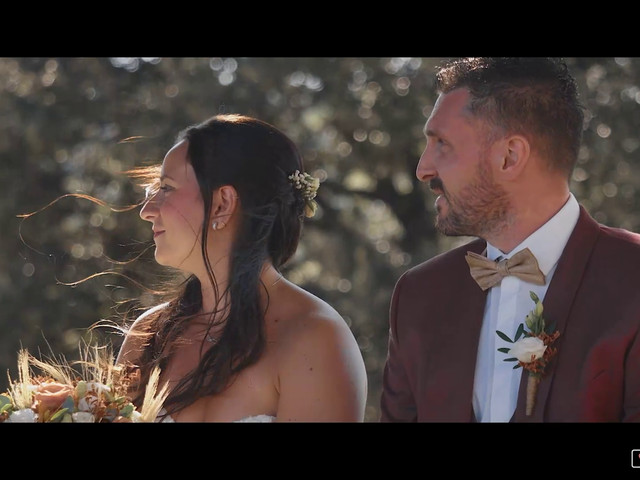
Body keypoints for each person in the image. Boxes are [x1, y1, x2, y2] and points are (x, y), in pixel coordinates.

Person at [380, 57, 640, 422]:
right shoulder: (419, 295)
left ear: (509, 157)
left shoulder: (634, 279)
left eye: (442, 144)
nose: (423, 168)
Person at [116, 113, 367, 422]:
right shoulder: (148, 336)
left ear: (222, 203)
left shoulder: (314, 340)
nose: (146, 210)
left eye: (166, 188)